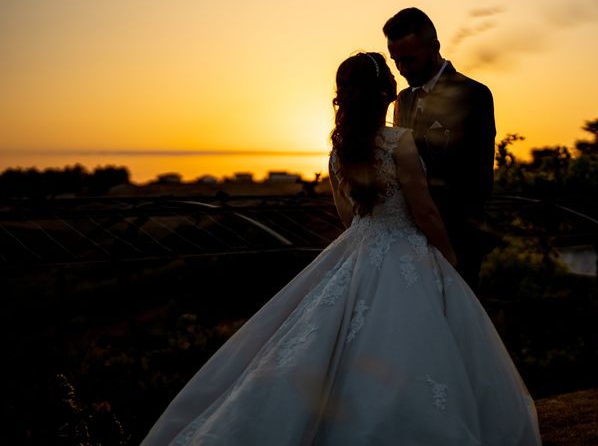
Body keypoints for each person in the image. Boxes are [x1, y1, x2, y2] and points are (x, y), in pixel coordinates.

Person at [141, 52, 541, 445]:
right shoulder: (399, 141)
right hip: (407, 250)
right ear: (385, 92)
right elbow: (425, 212)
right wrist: (447, 256)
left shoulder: (338, 152)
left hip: (358, 249)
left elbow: (348, 217)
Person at [384, 7, 497, 290]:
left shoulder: (473, 94)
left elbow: (480, 178)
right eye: (396, 61)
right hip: (409, 239)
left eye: (409, 59)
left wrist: (442, 229)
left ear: (434, 47)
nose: (402, 69)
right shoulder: (403, 100)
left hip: (459, 238)